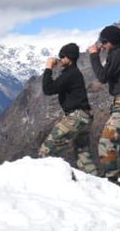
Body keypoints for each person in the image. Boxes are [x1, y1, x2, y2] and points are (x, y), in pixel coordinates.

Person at [88, 25, 120, 181]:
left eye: (104, 42)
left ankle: (111, 180)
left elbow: (102, 77)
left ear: (110, 42)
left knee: (106, 142)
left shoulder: (116, 56)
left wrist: (94, 56)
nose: (102, 45)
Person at [39, 43, 96, 173]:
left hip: (75, 117)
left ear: (69, 58)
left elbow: (48, 89)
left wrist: (48, 68)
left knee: (46, 151)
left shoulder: (70, 74)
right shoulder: (73, 73)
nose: (60, 59)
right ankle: (96, 182)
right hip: (85, 117)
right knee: (83, 155)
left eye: (62, 56)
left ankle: (50, 180)